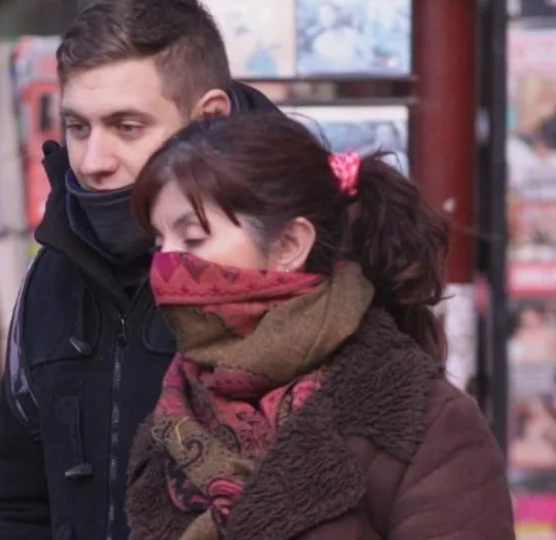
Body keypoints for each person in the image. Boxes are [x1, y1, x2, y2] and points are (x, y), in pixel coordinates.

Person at [124, 113, 513, 539]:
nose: (166, 266)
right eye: (159, 243)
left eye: (193, 238)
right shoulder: (171, 417)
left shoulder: (421, 419)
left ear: (290, 245)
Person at [0, 1, 280, 539]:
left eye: (127, 127)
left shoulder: (289, 267)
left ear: (209, 119)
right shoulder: (52, 276)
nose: (94, 161)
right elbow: (16, 498)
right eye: (78, 127)